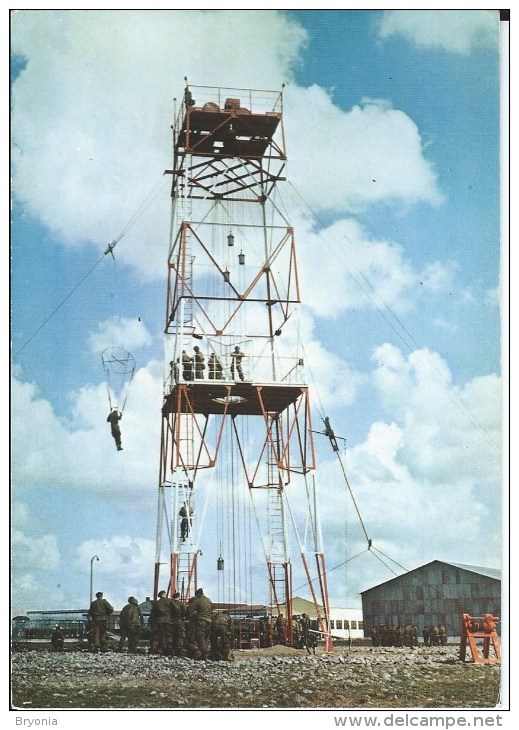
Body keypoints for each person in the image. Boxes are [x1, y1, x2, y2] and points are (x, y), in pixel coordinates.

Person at [192, 587, 213, 660]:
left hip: (201, 620)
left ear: (197, 594)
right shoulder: (208, 600)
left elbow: (189, 609)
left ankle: (204, 654)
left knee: (200, 636)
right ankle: (206, 652)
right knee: (206, 637)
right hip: (209, 621)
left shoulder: (198, 600)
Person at [154, 590, 173, 655]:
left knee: (162, 636)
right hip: (168, 620)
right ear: (164, 594)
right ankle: (170, 649)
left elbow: (154, 613)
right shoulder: (170, 601)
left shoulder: (157, 603)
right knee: (169, 635)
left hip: (160, 621)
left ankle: (164, 649)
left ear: (160, 596)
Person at [171, 592, 186, 657]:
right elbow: (184, 612)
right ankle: (179, 651)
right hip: (179, 622)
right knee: (180, 636)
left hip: (172, 622)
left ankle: (173, 651)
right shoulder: (181, 604)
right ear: (178, 597)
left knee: (173, 636)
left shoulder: (170, 603)